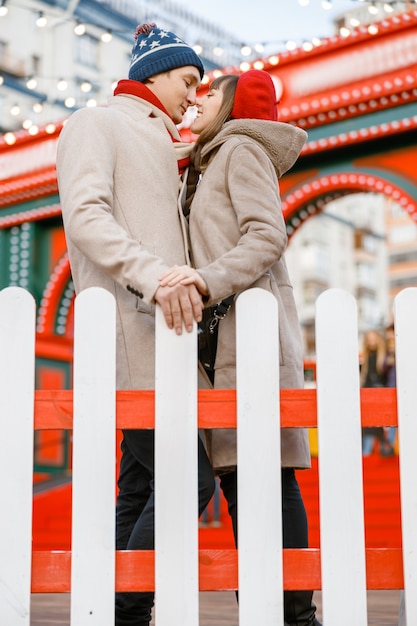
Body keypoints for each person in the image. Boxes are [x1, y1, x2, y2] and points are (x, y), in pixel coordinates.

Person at [56, 23, 215, 626]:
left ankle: (123, 614)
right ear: (153, 74)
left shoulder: (162, 143)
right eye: (187, 80)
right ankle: (127, 605)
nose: (193, 96)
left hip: (163, 339)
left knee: (140, 487)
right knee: (187, 481)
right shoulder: (96, 123)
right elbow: (86, 217)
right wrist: (155, 275)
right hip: (130, 335)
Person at [160, 70, 322, 626]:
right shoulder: (200, 165)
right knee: (237, 480)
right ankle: (261, 608)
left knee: (270, 478)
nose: (198, 98)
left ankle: (295, 614)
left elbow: (266, 234)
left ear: (234, 107)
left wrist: (205, 281)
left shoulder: (240, 151)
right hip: (218, 346)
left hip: (249, 341)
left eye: (210, 92)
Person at [360, 329, 393, 456]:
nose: (372, 342)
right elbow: (365, 377)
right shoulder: (367, 358)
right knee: (369, 428)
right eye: (369, 340)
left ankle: (370, 452)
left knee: (375, 427)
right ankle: (368, 453)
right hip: (368, 397)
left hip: (379, 397)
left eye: (374, 339)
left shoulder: (383, 358)